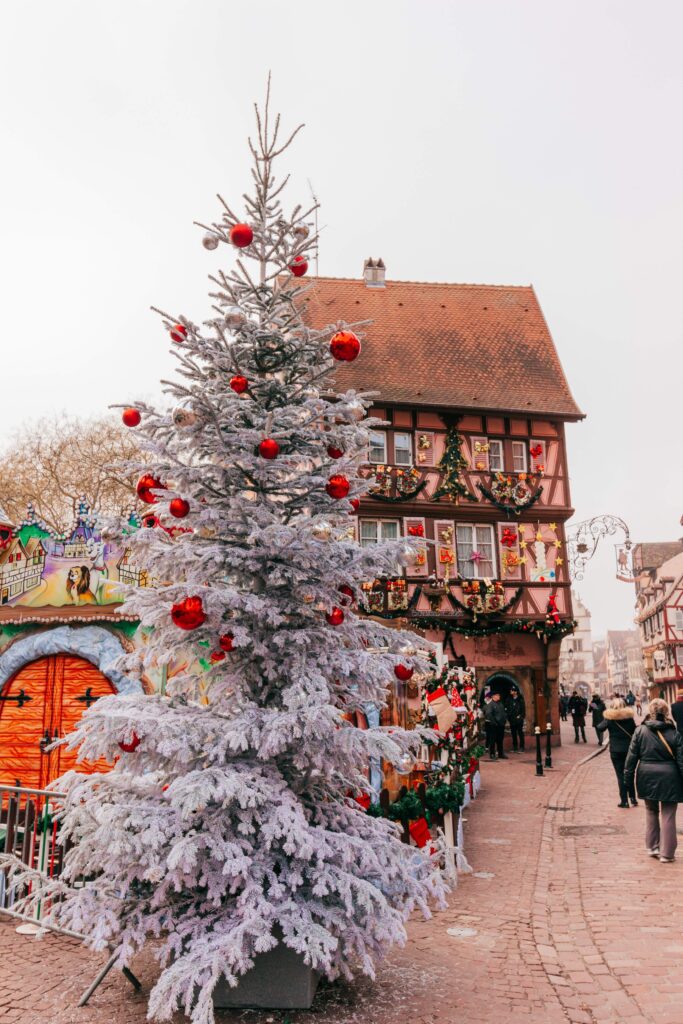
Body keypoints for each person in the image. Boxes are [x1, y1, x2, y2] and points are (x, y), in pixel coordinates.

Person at [624, 698, 683, 863]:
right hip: (670, 777)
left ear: (650, 711)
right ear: (666, 712)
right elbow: (681, 762)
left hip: (646, 776)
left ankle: (652, 846)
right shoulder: (674, 733)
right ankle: (667, 853)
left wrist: (627, 778)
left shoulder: (640, 731)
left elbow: (631, 758)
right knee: (668, 814)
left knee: (651, 811)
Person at [597, 697, 637, 807]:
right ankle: (633, 797)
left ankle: (624, 801)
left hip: (616, 751)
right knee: (629, 773)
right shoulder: (629, 718)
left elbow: (600, 728)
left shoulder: (610, 719)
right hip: (629, 749)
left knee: (620, 775)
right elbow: (634, 731)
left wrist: (606, 719)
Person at [484, 692, 508, 761]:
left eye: (499, 695)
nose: (499, 696)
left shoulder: (500, 703)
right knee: (493, 740)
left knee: (500, 740)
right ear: (493, 696)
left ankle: (500, 753)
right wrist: (494, 722)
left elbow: (503, 713)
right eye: (497, 695)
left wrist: (504, 720)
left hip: (501, 725)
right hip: (494, 726)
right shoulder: (491, 704)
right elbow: (489, 714)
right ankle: (492, 754)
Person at [505, 687, 526, 752]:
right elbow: (507, 708)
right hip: (512, 719)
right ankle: (515, 747)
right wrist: (508, 716)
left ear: (515, 692)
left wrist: (520, 716)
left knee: (520, 733)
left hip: (519, 719)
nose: (510, 691)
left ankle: (522, 747)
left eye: (512, 690)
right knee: (513, 733)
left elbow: (523, 709)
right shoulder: (509, 699)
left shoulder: (520, 699)